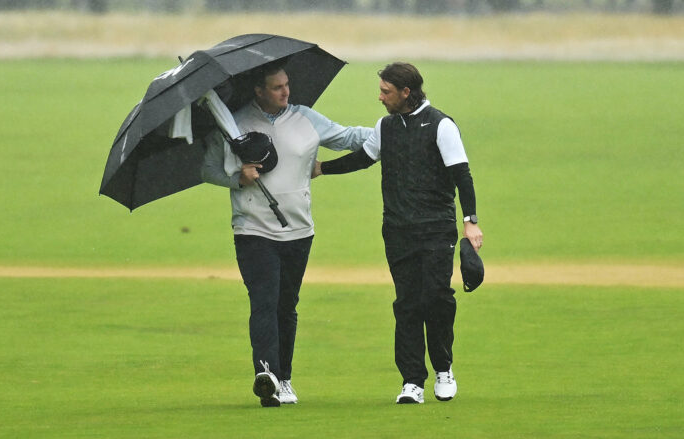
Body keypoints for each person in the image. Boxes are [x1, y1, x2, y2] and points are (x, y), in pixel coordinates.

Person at [202, 64, 371, 407]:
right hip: (252, 229)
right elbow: (207, 169)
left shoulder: (305, 118)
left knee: (286, 306)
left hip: (298, 230)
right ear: (259, 91)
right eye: (276, 87)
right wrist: (238, 179)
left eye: (286, 85)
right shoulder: (232, 124)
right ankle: (266, 375)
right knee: (263, 301)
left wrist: (391, 130)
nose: (285, 92)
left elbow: (347, 137)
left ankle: (285, 378)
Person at [313, 62, 483, 404]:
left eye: (386, 92)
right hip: (397, 229)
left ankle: (444, 369)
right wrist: (321, 169)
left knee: (435, 298)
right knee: (406, 303)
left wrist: (470, 221)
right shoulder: (386, 126)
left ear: (407, 92)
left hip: (436, 228)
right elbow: (363, 158)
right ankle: (412, 382)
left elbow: (462, 175)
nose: (380, 97)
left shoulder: (440, 125)